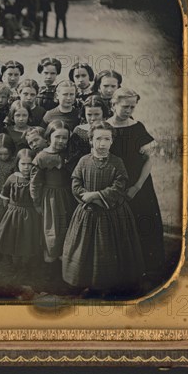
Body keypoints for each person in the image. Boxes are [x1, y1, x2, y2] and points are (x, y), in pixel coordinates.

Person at [62, 121, 145, 297]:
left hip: (112, 213)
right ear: (91, 140)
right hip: (88, 213)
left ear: (112, 141)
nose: (102, 143)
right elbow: (76, 183)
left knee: (110, 250)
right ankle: (88, 284)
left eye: (107, 139)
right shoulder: (84, 161)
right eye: (98, 139)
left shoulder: (117, 162)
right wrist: (86, 197)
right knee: (86, 249)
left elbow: (119, 185)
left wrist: (97, 196)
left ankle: (112, 286)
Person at [107, 88, 165, 288]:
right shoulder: (105, 128)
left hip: (138, 185)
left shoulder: (137, 127)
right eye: (125, 106)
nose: (129, 110)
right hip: (113, 185)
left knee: (143, 222)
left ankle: (146, 272)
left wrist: (137, 186)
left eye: (132, 106)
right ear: (113, 105)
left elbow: (149, 160)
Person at [30, 120, 76, 269]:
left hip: (67, 196)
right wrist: (37, 203)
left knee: (67, 227)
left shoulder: (68, 154)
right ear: (49, 136)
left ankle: (65, 265)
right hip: (51, 199)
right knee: (53, 230)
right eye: (57, 137)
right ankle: (50, 266)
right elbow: (35, 183)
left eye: (65, 138)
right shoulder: (42, 157)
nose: (61, 141)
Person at [0, 149, 43, 270]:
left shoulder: (37, 178)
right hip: (13, 214)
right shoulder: (12, 178)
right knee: (13, 237)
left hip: (31, 215)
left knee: (27, 237)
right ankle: (14, 262)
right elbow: (4, 196)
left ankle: (26, 263)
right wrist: (4, 214)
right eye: (23, 164)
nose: (26, 167)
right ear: (17, 164)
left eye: (30, 164)